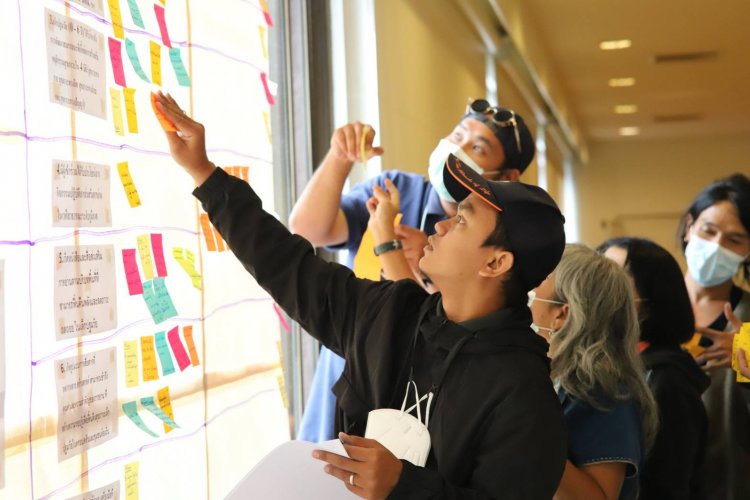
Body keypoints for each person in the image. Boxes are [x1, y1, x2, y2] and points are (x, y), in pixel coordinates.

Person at [153, 92, 567, 498]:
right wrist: (205, 174)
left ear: (496, 264)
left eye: (462, 222)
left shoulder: (524, 395)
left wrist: (404, 486)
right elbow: (286, 263)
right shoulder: (391, 313)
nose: (441, 226)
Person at [289, 99, 536, 442]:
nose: (457, 150)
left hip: (412, 404)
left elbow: (457, 332)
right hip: (343, 372)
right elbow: (307, 231)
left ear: (507, 177)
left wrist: (427, 267)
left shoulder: (494, 240)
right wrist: (339, 158)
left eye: (477, 148)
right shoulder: (399, 192)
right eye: (457, 135)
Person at [528, 244, 658, 500]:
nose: (525, 292)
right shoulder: (545, 376)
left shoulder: (603, 392)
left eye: (538, 282)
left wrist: (525, 432)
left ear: (562, 315)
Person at [598, 237, 710, 500]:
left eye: (614, 276)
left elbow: (666, 485)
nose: (598, 286)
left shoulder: (668, 379)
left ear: (651, 298)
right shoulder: (612, 362)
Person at [677, 173, 750, 500]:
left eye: (734, 240)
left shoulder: (747, 317)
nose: (716, 246)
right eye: (708, 231)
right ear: (690, 226)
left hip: (724, 481)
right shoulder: (640, 306)